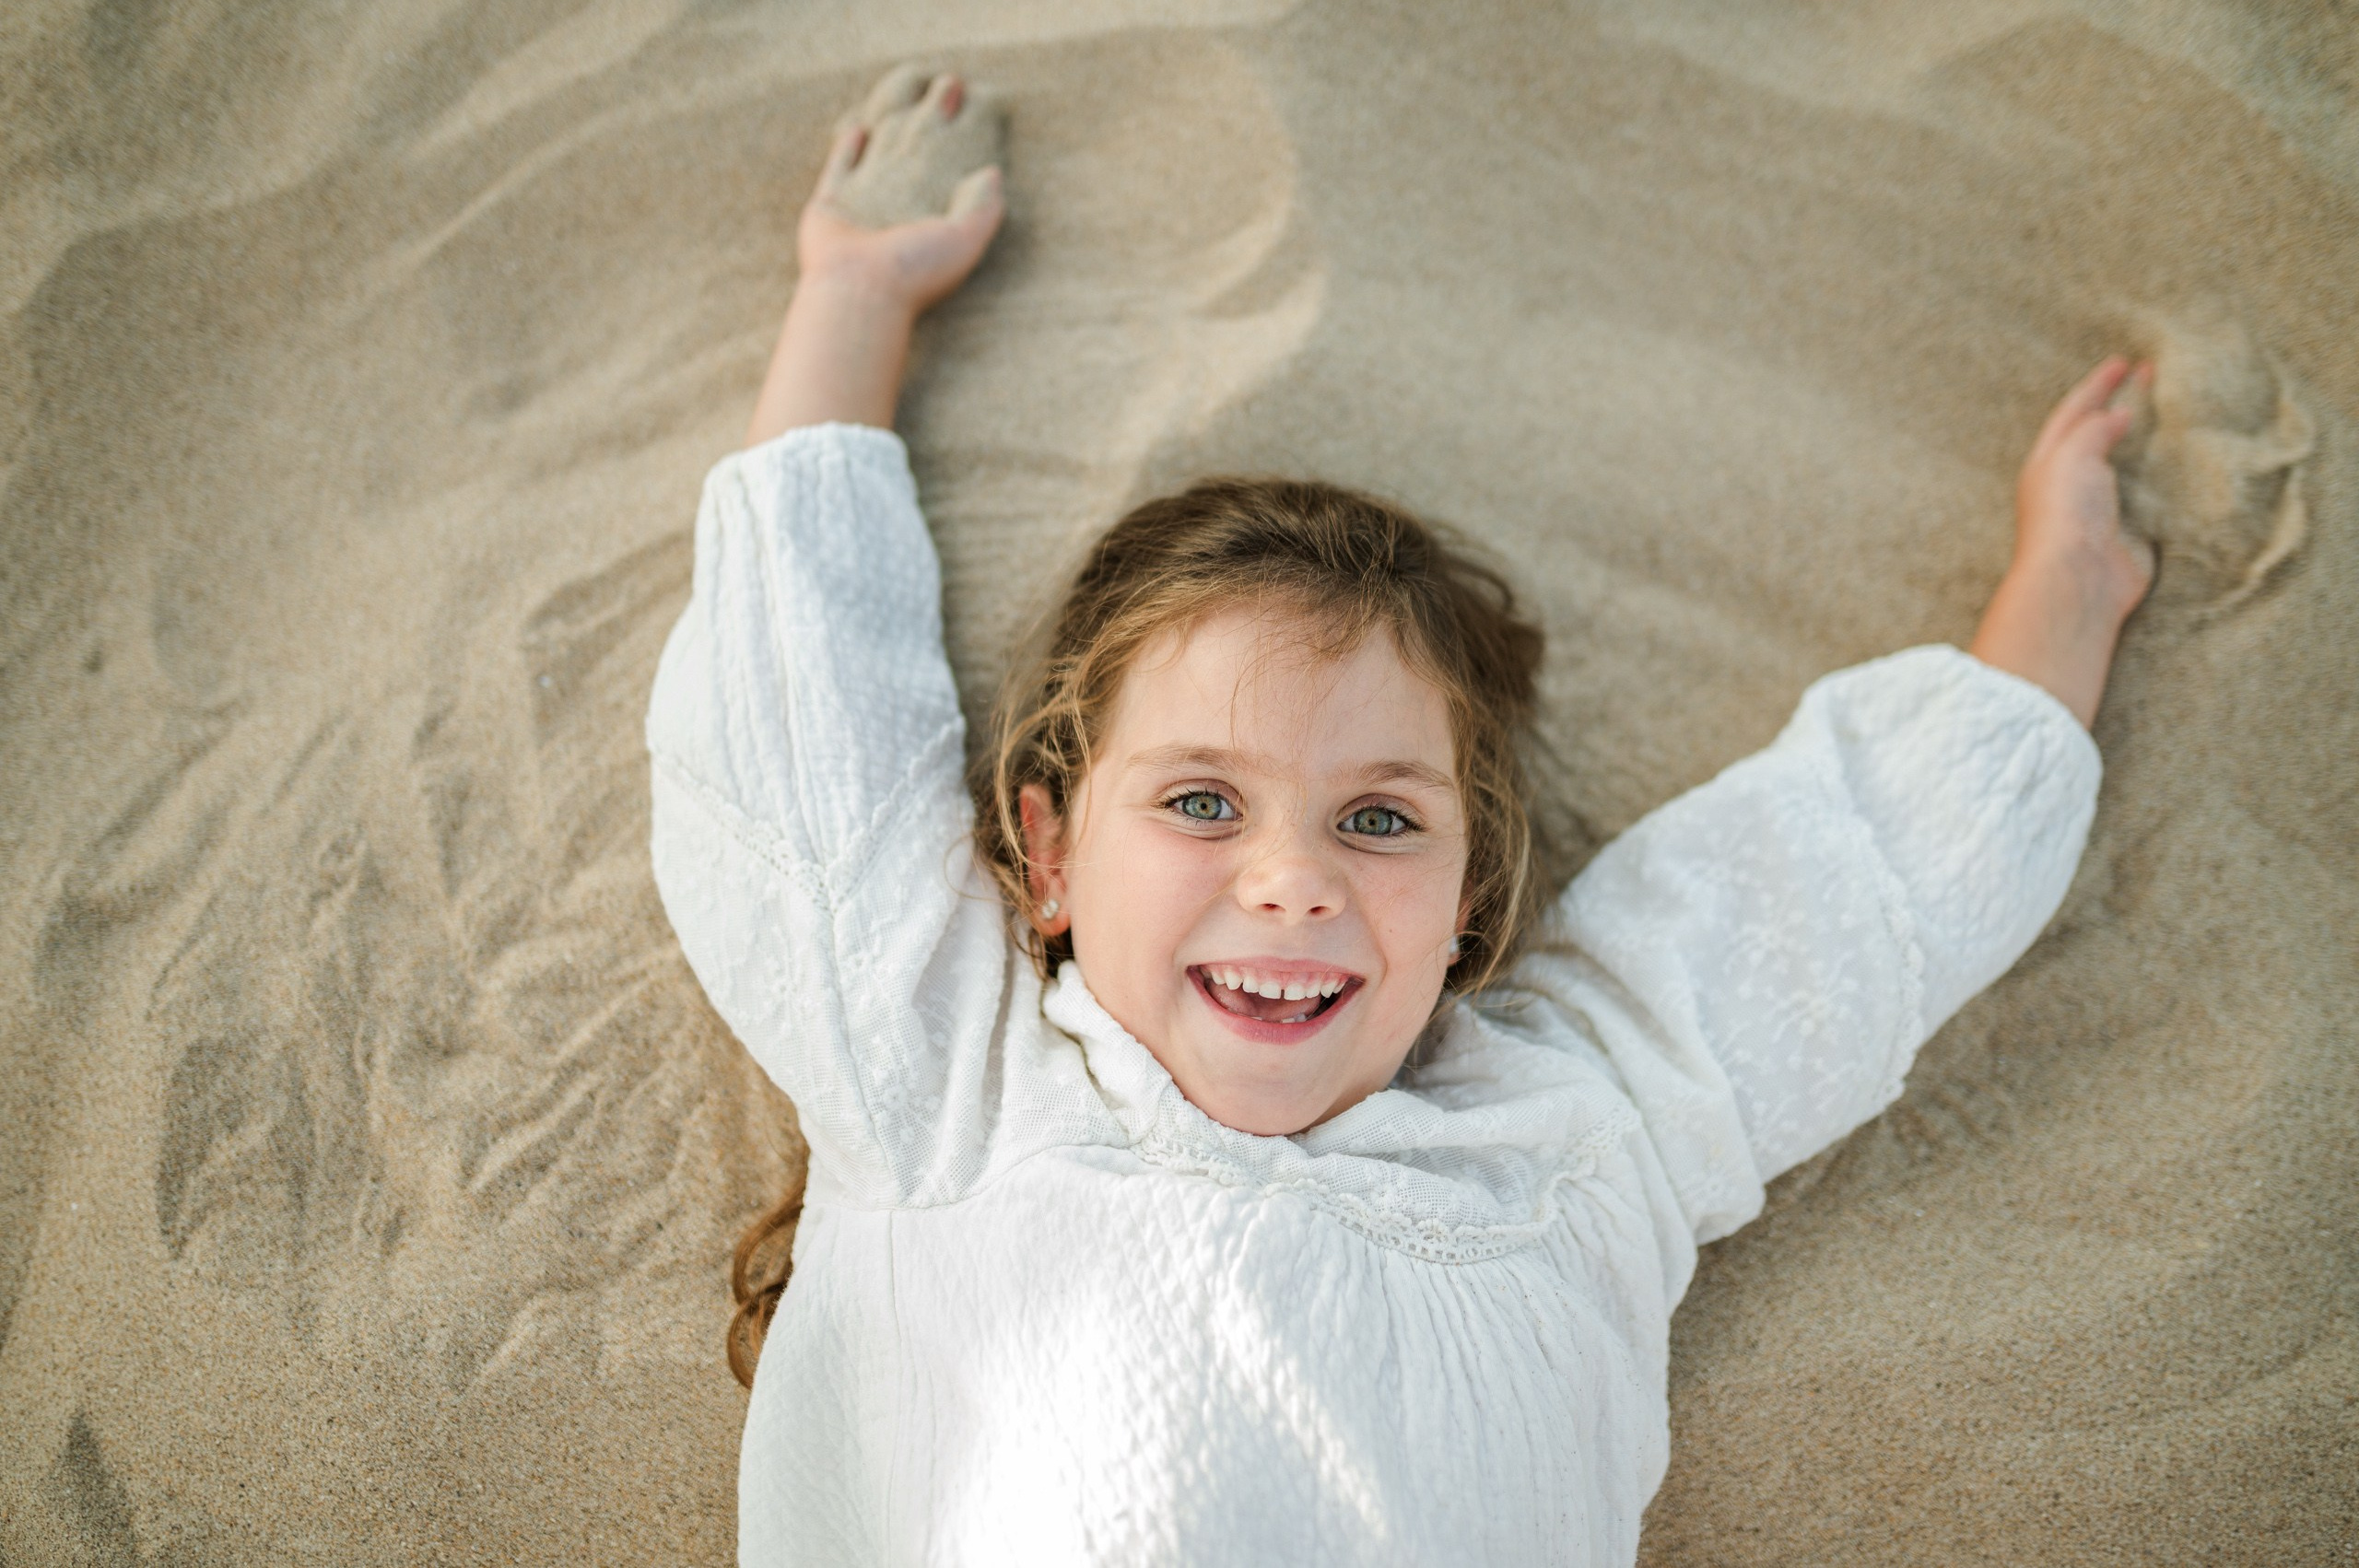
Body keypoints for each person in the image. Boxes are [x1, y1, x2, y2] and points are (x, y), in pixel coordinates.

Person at [646, 67, 2154, 1566]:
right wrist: (855, 299)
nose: (1293, 878)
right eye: (1199, 800)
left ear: (1471, 893)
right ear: (1048, 857)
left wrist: (2062, 598)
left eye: (1379, 820)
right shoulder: (948, 1074)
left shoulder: (1575, 1131)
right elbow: (796, 715)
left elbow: (1854, 885)